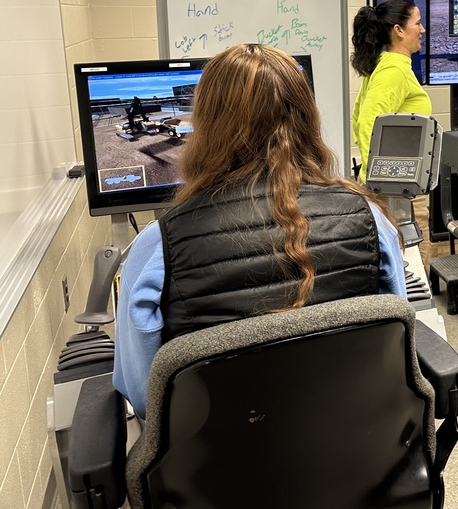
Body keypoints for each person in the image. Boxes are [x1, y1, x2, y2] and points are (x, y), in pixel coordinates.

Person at [112, 44, 407, 418]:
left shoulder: (159, 245)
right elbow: (395, 339)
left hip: (214, 466)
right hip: (354, 447)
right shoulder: (368, 218)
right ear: (306, 118)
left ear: (207, 126)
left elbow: (143, 397)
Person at [351, 0, 431, 174]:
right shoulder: (394, 70)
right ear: (399, 30)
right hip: (396, 186)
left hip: (399, 178)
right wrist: (379, 176)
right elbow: (367, 123)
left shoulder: (386, 63)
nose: (422, 29)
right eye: (417, 23)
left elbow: (358, 115)